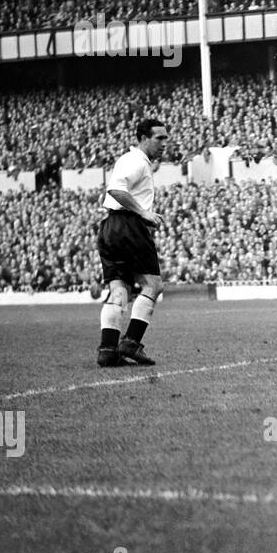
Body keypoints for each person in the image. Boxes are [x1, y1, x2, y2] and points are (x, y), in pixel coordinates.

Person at [96, 118, 169, 367]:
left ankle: (107, 350)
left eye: (165, 138)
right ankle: (131, 343)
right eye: (159, 138)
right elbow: (116, 190)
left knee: (120, 289)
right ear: (143, 138)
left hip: (110, 226)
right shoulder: (136, 161)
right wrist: (143, 213)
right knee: (153, 285)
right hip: (129, 226)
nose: (164, 143)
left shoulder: (134, 161)